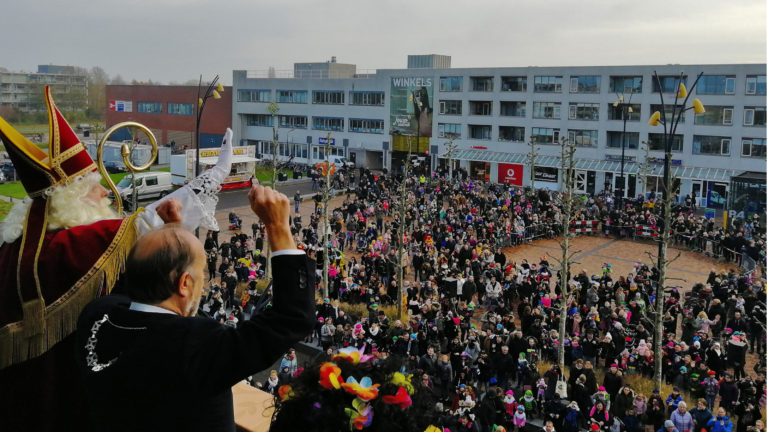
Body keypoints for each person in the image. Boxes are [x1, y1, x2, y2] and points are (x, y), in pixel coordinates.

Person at [0, 87, 233, 432]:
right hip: (66, 395)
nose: (107, 192)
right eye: (97, 187)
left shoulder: (14, 244)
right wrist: (215, 175)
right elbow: (147, 223)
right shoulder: (68, 246)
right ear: (71, 199)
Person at [75, 185, 316, 431]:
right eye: (200, 272)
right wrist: (278, 228)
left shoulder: (96, 314)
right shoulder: (199, 346)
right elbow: (292, 316)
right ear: (185, 283)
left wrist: (172, 239)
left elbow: (140, 279)